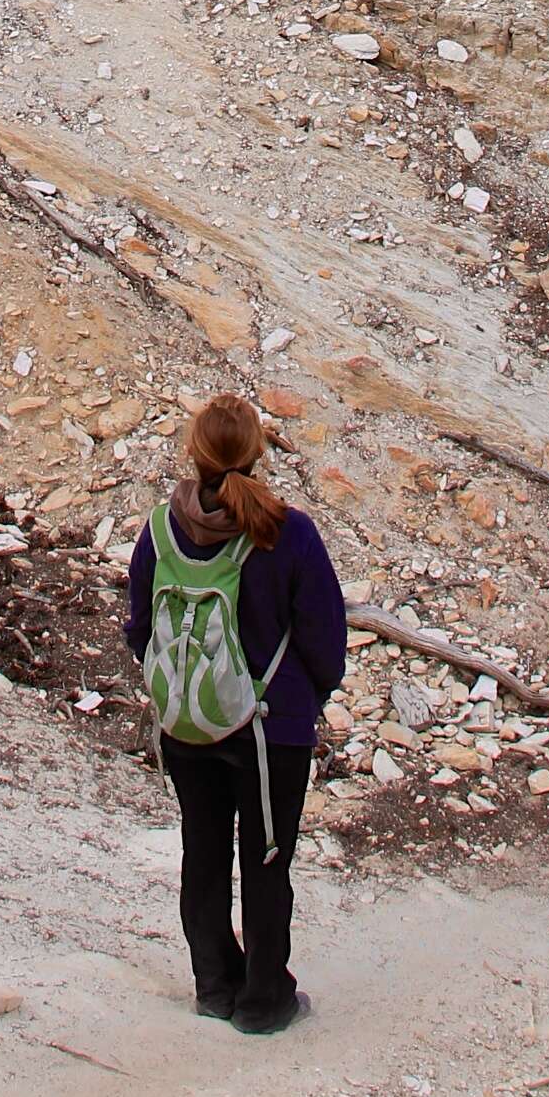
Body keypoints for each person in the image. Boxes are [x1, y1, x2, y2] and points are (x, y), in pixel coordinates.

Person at [124, 392, 346, 1034]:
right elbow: (324, 636)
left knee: (203, 848)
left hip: (188, 721)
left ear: (194, 454)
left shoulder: (160, 529)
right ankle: (264, 1000)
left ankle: (214, 985)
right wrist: (313, 697)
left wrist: (180, 687)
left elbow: (140, 625)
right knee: (267, 857)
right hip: (271, 726)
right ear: (258, 454)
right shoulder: (289, 531)